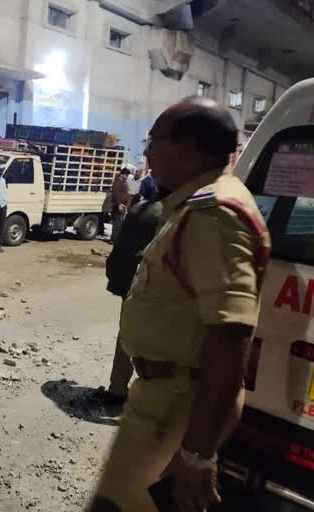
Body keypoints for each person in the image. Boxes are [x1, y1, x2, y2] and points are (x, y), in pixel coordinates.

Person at [90, 97, 270, 512]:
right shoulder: (196, 205)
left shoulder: (214, 215)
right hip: (163, 399)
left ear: (189, 147)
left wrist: (197, 455)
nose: (147, 151)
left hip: (177, 406)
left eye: (155, 139)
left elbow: (231, 336)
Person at [97, 188, 166, 408]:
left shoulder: (139, 208)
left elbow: (120, 246)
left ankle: (117, 388)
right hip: (155, 287)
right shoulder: (171, 214)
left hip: (130, 283)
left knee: (126, 335)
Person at [110, 166, 132, 243]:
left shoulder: (124, 183)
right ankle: (113, 240)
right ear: (121, 174)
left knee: (120, 223)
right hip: (117, 205)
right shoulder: (117, 182)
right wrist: (119, 204)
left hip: (123, 206)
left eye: (127, 175)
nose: (127, 177)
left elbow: (126, 193)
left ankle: (116, 239)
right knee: (117, 223)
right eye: (126, 175)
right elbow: (116, 194)